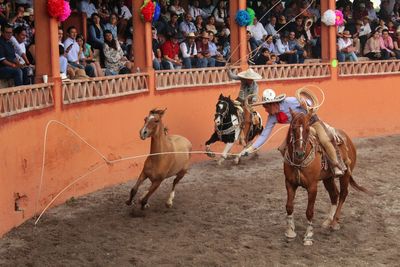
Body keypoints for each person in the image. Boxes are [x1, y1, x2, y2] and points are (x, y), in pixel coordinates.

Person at [240, 89, 345, 177]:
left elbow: (309, 102)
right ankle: (296, 166)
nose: (265, 110)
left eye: (266, 107)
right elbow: (264, 134)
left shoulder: (290, 101)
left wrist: (306, 105)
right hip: (296, 129)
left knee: (324, 140)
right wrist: (251, 149)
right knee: (282, 148)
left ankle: (335, 165)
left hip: (311, 122)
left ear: (272, 104)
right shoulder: (272, 117)